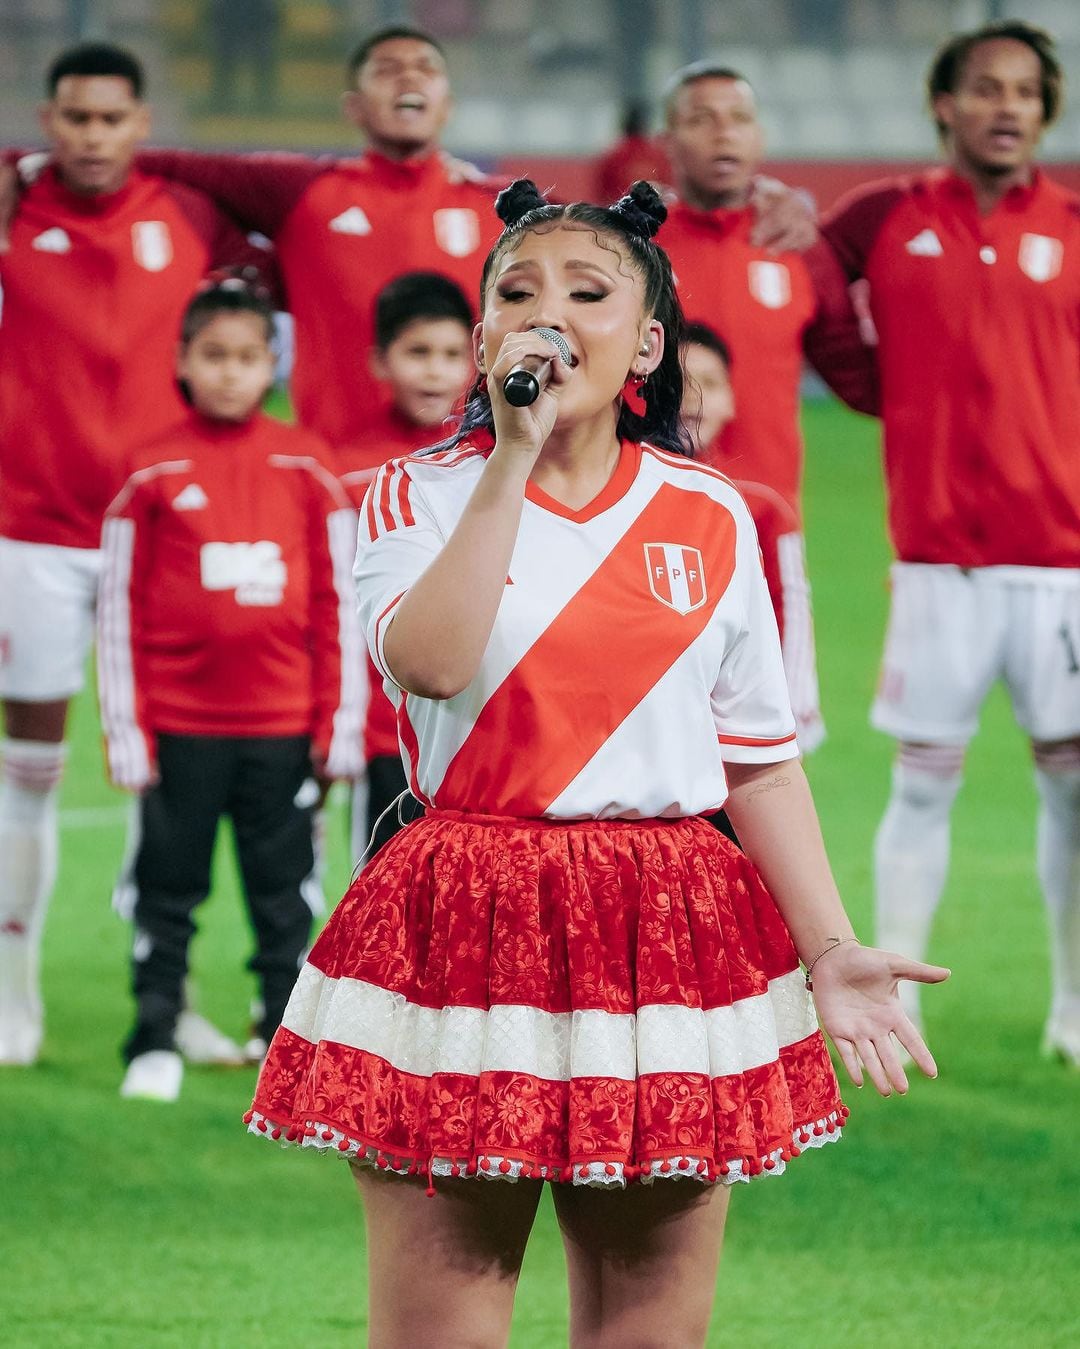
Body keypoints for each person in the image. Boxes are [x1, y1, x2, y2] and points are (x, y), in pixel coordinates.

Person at [242, 179, 948, 1347]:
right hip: (465, 913)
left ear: (648, 341)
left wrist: (830, 948)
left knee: (648, 1334)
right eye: (516, 293)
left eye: (587, 291)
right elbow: (429, 661)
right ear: (482, 338)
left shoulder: (713, 514)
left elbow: (761, 766)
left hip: (664, 926)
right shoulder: (415, 495)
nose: (548, 314)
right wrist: (512, 457)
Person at [0, 42, 269, 1067]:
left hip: (165, 531)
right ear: (48, 119)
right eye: (74, 118)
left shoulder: (190, 216)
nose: (93, 137)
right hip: (33, 532)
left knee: (173, 777)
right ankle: (11, 995)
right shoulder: (16, 207)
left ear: (142, 122)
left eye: (112, 118)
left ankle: (169, 998)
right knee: (28, 768)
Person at [819, 20, 1080, 1063]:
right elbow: (808, 284)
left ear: (1045, 113)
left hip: (1062, 564)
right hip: (937, 562)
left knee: (1072, 785)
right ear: (945, 105)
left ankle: (1071, 1006)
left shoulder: (1072, 226)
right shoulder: (884, 217)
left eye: (1026, 91)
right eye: (986, 88)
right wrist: (872, 384)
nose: (1007, 106)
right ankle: (900, 1000)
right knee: (922, 781)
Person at [96, 278, 364, 1101]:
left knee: (285, 892)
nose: (230, 373)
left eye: (248, 358)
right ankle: (154, 1030)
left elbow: (339, 601)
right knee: (168, 886)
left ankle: (280, 1031)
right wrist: (126, 727)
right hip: (179, 728)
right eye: (213, 356)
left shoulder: (307, 464)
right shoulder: (149, 471)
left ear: (271, 364)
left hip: (282, 730)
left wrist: (340, 718)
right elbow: (117, 607)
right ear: (182, 361)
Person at [659, 61, 878, 754]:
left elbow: (863, 380)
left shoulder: (796, 247)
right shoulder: (631, 248)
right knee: (650, 740)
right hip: (646, 522)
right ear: (670, 139)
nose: (724, 132)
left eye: (740, 117)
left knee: (764, 749)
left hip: (764, 530)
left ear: (760, 136)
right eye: (702, 118)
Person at [338, 271, 475, 862]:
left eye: (451, 355)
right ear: (379, 361)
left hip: (478, 718)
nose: (435, 370)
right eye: (417, 352)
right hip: (380, 727)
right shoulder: (342, 476)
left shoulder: (494, 468)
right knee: (379, 902)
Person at [681, 322, 822, 750]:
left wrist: (793, 715)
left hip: (734, 730)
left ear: (731, 401)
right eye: (680, 382)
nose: (694, 396)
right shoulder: (620, 489)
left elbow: (792, 612)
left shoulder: (761, 508)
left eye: (709, 383)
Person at [593, 99, 671, 202]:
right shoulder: (658, 154)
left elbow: (602, 193)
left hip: (619, 213)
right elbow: (667, 187)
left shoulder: (612, 154)